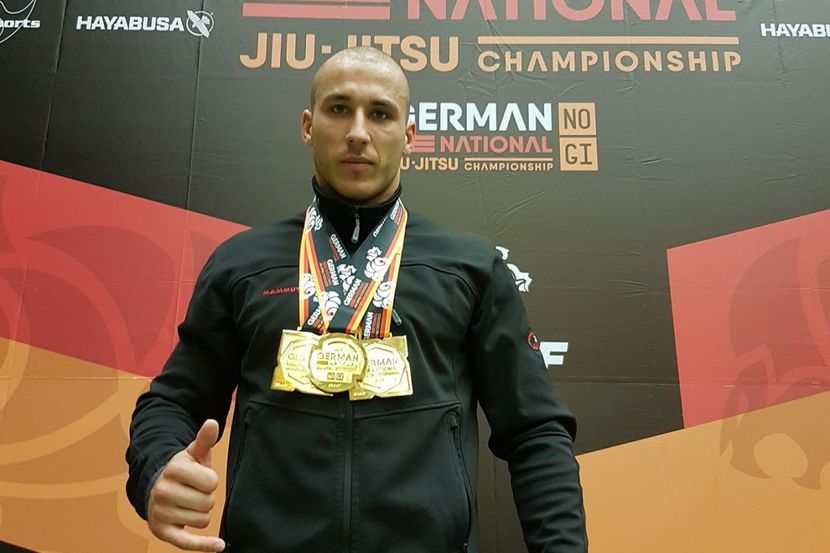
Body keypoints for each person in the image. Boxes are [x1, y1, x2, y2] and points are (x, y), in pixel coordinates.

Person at [126, 46, 588, 553]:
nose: (358, 133)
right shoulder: (243, 263)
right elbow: (174, 401)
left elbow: (534, 431)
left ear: (408, 136)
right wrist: (156, 468)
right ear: (308, 126)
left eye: (381, 114)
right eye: (339, 109)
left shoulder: (469, 267)